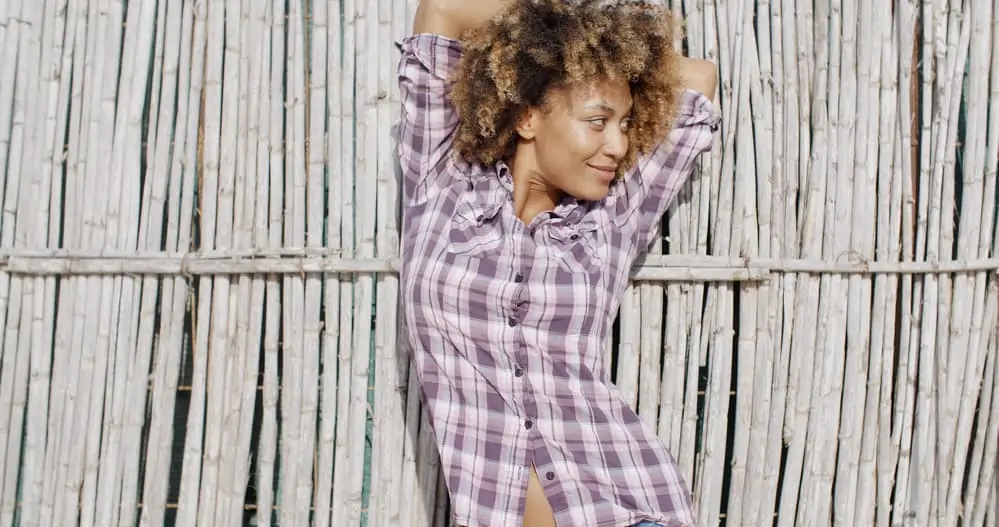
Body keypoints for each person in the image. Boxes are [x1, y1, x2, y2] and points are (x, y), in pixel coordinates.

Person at [396, 0, 719, 525]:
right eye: (597, 121)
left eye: (626, 123)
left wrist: (603, 38)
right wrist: (557, 28)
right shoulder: (440, 183)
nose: (618, 144)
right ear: (527, 116)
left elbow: (699, 77)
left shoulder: (612, 219)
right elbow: (443, 11)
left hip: (631, 511)